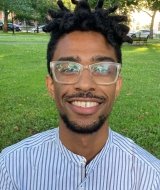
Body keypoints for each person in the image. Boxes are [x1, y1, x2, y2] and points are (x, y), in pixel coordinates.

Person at [0, 0, 160, 189]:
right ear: (51, 85)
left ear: (117, 86)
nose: (85, 84)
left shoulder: (151, 178)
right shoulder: (9, 170)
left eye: (102, 68)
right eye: (68, 68)